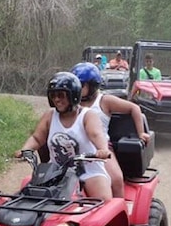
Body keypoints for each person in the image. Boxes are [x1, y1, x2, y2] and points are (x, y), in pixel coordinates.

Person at [16, 72, 112, 200]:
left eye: (61, 95)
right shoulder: (50, 115)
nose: (56, 99)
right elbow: (37, 138)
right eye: (53, 95)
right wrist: (26, 149)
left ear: (74, 95)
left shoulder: (87, 115)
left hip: (88, 171)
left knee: (104, 202)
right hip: (55, 172)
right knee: (27, 198)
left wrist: (102, 149)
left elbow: (96, 134)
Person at [71, 62, 151, 198]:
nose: (77, 88)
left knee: (116, 179)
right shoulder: (71, 102)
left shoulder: (104, 101)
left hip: (100, 148)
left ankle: (120, 213)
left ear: (92, 85)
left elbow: (134, 108)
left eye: (81, 85)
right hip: (74, 147)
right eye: (75, 84)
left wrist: (141, 132)